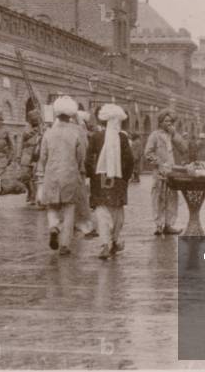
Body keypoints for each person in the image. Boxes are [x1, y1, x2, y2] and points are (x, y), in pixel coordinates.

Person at [36, 96, 86, 256]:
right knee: (68, 208)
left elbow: (42, 156)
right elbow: (81, 155)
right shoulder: (75, 133)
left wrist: (43, 171)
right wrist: (77, 167)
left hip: (51, 173)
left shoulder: (48, 133)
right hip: (70, 174)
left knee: (51, 206)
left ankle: (53, 227)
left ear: (57, 114)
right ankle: (64, 244)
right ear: (71, 115)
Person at [87, 104, 135, 259]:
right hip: (118, 179)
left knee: (102, 211)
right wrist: (125, 178)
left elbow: (88, 160)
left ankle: (105, 244)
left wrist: (92, 176)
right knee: (117, 212)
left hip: (100, 179)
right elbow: (130, 160)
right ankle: (114, 241)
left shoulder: (96, 137)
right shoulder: (122, 138)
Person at [144, 110, 184, 235]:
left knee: (172, 197)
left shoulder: (172, 135)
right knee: (158, 197)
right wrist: (159, 163)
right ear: (160, 122)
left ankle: (169, 224)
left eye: (170, 121)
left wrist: (175, 134)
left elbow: (183, 149)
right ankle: (158, 225)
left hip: (172, 172)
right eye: (166, 121)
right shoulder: (154, 135)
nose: (168, 123)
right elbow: (148, 153)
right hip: (160, 173)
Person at [74, 109, 98, 237]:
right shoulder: (80, 132)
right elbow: (83, 152)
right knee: (81, 199)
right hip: (79, 169)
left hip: (65, 170)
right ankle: (86, 227)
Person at [18, 108, 44, 208]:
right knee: (24, 176)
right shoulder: (26, 128)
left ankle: (34, 195)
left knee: (35, 176)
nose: (34, 120)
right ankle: (29, 190)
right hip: (27, 153)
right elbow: (21, 141)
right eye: (32, 118)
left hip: (37, 153)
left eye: (36, 118)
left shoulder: (42, 128)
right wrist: (18, 155)